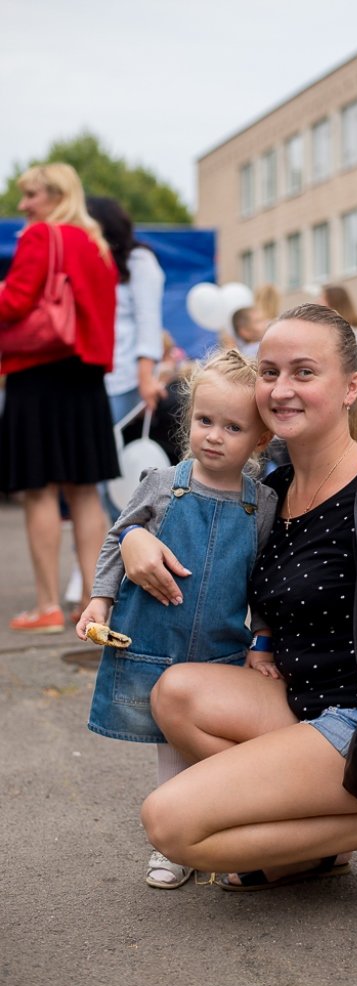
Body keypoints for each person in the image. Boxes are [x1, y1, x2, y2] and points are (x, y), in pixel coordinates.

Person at [119, 303, 357, 907]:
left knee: (171, 824)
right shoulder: (272, 490)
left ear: (351, 387)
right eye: (269, 372)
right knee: (175, 693)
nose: (281, 389)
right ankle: (315, 847)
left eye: (303, 372)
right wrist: (133, 537)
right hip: (298, 701)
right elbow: (183, 520)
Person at [76, 349, 277, 887]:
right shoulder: (163, 483)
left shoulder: (262, 504)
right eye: (204, 421)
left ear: (260, 439)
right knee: (170, 742)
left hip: (221, 650)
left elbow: (264, 580)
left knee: (206, 742)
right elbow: (119, 538)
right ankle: (170, 846)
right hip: (157, 641)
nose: (214, 436)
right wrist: (100, 599)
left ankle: (210, 826)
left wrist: (263, 638)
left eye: (232, 427)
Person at [0, 163, 119, 633]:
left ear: (57, 194)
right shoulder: (96, 244)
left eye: (31, 195)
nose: (23, 205)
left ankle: (48, 605)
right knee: (85, 490)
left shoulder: (40, 236)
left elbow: (15, 302)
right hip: (85, 378)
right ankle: (92, 604)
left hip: (38, 373)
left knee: (40, 490)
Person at [86, 196, 166, 428]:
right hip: (93, 374)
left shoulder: (139, 261)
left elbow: (148, 320)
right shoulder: (90, 261)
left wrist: (145, 378)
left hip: (124, 377)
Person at [319, 284, 357, 356]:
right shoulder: (327, 329)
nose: (318, 301)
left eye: (322, 298)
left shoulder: (353, 333)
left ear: (334, 302)